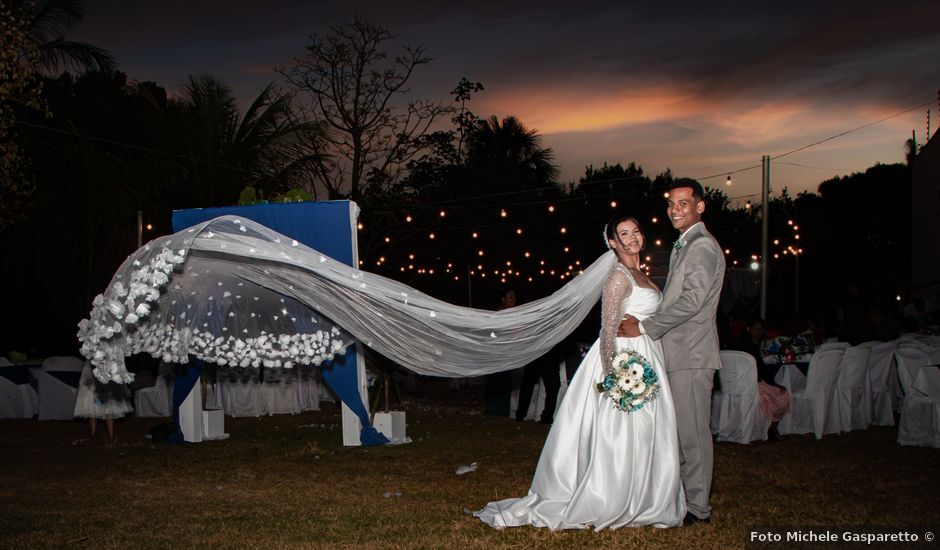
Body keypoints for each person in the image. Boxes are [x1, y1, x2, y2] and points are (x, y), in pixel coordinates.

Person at [475, 216, 685, 530]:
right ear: (612, 243)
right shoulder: (618, 276)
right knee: (623, 434)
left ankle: (646, 498)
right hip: (626, 363)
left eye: (636, 231)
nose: (631, 238)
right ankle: (614, 498)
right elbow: (608, 330)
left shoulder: (642, 273)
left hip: (648, 356)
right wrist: (616, 377)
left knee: (649, 432)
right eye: (623, 234)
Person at [618, 178, 725, 525]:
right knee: (680, 435)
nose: (675, 209)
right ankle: (685, 499)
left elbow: (692, 301)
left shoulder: (702, 246)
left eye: (683, 203)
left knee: (693, 436)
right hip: (677, 355)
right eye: (671, 203)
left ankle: (698, 509)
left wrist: (645, 327)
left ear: (700, 206)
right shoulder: (686, 244)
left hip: (692, 356)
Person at [732, 317, 792, 441]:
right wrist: (773, 384)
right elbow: (761, 369)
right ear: (749, 329)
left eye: (761, 330)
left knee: (776, 392)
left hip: (739, 384)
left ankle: (769, 428)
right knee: (781, 395)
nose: (758, 332)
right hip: (748, 385)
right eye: (756, 329)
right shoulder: (747, 345)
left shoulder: (747, 343)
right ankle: (770, 428)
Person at [73, 361, 134, 445]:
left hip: (105, 382)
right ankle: (94, 435)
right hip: (92, 381)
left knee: (107, 409)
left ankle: (111, 438)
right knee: (93, 408)